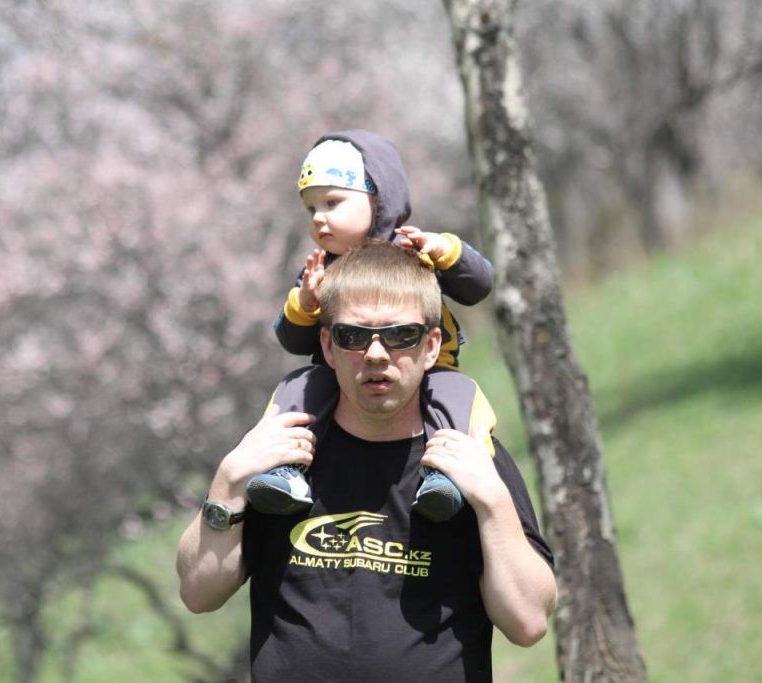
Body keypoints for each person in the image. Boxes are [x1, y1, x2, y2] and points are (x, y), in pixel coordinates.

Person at [177, 241, 557, 682]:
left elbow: (528, 622)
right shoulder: (280, 455)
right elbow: (198, 592)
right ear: (328, 345)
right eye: (353, 336)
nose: (376, 354)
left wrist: (492, 501)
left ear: (431, 345)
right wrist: (227, 483)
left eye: (401, 335)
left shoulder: (470, 455)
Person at [247, 129, 498, 523]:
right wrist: (306, 303)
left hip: (429, 367)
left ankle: (445, 477)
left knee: (458, 397)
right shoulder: (320, 270)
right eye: (311, 209)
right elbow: (292, 339)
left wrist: (446, 251)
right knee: (298, 386)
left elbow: (479, 285)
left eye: (333, 202)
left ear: (378, 198)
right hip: (346, 374)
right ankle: (286, 469)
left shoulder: (415, 250)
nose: (319, 218)